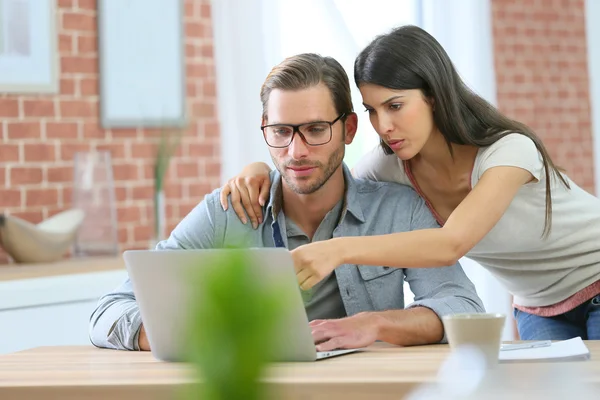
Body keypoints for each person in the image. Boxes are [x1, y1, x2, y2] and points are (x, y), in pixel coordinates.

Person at [219, 25, 600, 341]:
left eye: (395, 106)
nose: (383, 125)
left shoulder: (508, 151)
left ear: (433, 97)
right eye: (372, 110)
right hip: (537, 305)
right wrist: (257, 170)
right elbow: (327, 174)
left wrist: (337, 250)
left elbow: (451, 244)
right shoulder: (393, 165)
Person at [89, 53, 484, 352]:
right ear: (265, 128)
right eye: (280, 131)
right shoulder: (226, 211)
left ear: (348, 129)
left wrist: (375, 324)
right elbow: (109, 311)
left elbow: (463, 306)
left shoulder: (398, 208)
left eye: (315, 130)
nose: (295, 151)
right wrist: (187, 332)